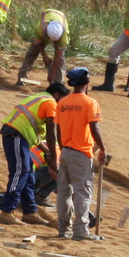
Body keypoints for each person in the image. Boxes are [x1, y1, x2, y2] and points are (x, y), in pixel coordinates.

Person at [43, 66, 107, 241]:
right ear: (87, 82)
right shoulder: (89, 102)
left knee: (64, 191)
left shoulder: (63, 103)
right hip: (81, 153)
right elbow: (94, 127)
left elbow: (58, 129)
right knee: (82, 193)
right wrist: (102, 148)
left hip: (66, 152)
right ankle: (81, 231)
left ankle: (64, 229)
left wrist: (63, 147)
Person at [0, 81, 63, 226]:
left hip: (20, 137)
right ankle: (7, 211)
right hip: (15, 135)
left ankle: (29, 212)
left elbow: (36, 136)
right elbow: (51, 135)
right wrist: (53, 158)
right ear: (57, 94)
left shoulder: (39, 99)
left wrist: (48, 153)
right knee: (19, 173)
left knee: (27, 175)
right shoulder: (51, 103)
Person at [13, 7, 68, 88]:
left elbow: (58, 55)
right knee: (32, 51)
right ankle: (22, 77)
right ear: (47, 33)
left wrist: (52, 73)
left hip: (61, 17)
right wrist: (44, 56)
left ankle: (58, 82)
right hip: (47, 14)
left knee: (61, 57)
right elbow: (38, 43)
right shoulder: (41, 28)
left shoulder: (64, 35)